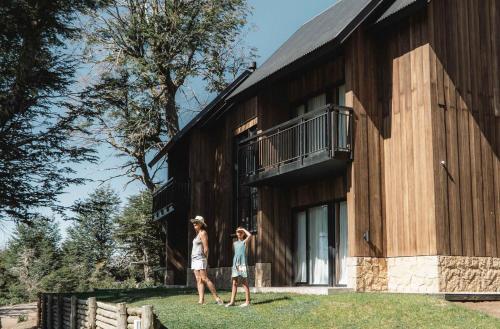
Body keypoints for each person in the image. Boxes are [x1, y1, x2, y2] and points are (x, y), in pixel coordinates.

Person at [190, 215, 223, 305]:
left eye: (196, 222)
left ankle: (217, 298)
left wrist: (205, 260)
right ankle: (201, 300)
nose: (194, 224)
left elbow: (206, 248)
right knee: (198, 279)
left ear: (201, 224)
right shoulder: (197, 234)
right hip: (194, 259)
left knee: (204, 278)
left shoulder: (203, 233)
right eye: (194, 222)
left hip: (201, 259)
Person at [225, 227, 252, 307]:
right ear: (236, 233)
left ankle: (247, 302)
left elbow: (250, 235)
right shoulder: (234, 243)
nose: (239, 233)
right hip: (235, 264)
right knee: (234, 283)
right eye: (238, 232)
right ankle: (232, 301)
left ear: (243, 233)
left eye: (241, 232)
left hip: (242, 264)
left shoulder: (245, 242)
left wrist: (243, 229)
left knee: (244, 282)